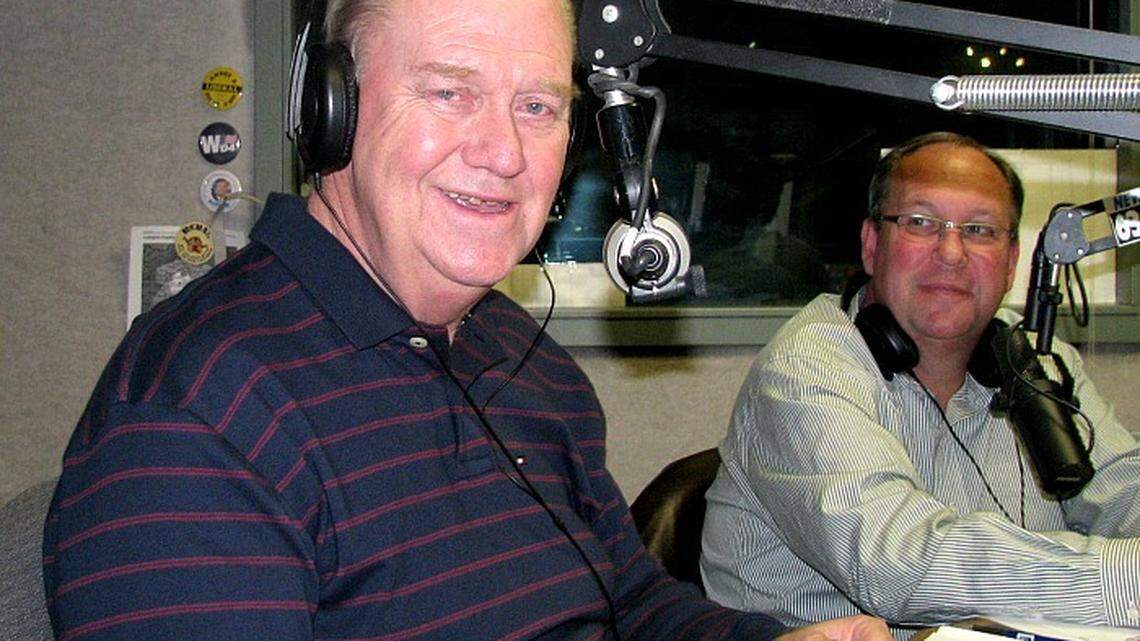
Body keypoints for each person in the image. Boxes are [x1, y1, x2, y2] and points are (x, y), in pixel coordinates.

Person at [43, 1, 893, 640]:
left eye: (538, 106)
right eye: (452, 92)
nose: (506, 154)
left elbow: (624, 601)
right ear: (328, 109)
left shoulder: (521, 356)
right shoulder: (193, 417)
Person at [701, 131, 1140, 637]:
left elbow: (1123, 491)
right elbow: (899, 564)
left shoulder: (1036, 362)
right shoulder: (804, 371)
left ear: (1013, 261)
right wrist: (1123, 579)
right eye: (921, 223)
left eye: (979, 230)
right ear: (871, 245)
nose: (951, 252)